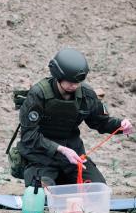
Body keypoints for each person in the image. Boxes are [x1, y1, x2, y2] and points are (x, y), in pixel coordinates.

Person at [18, 48, 133, 187]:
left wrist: (121, 125)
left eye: (78, 82)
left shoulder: (86, 94)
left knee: (97, 189)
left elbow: (100, 122)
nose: (75, 86)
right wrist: (61, 149)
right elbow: (29, 136)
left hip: (73, 158)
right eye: (70, 81)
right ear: (58, 76)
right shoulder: (38, 94)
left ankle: (64, 181)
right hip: (41, 157)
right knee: (44, 194)